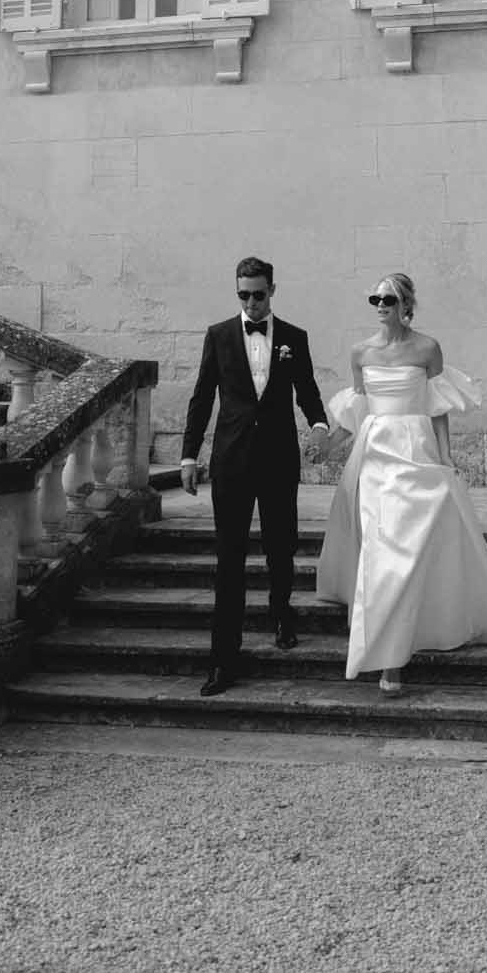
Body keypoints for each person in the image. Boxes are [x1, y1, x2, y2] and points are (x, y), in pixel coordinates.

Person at [315, 272, 487, 695]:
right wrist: (329, 445)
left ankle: (409, 635)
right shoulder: (360, 352)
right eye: (375, 299)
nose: (381, 305)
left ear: (406, 305)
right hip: (375, 456)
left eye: (389, 298)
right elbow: (358, 410)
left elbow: (437, 409)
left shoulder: (427, 348)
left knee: (415, 547)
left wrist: (446, 456)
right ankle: (390, 662)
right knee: (383, 552)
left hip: (415, 450)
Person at [179, 255, 330, 697]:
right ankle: (223, 660)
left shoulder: (294, 338)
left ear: (272, 291)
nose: (251, 302)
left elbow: (307, 390)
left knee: (281, 544)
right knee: (229, 560)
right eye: (243, 295)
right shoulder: (220, 336)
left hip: (279, 457)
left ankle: (281, 612)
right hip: (232, 460)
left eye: (258, 295)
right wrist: (189, 456)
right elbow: (202, 398)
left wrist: (320, 425)